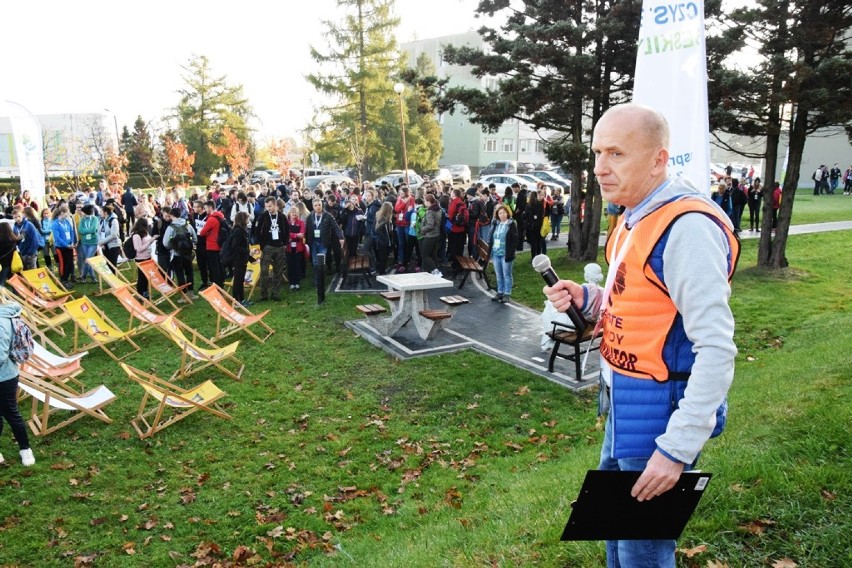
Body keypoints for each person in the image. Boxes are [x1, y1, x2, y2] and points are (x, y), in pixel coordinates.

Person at [544, 104, 739, 568]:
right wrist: (589, 298)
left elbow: (716, 348)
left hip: (660, 419)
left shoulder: (686, 227)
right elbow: (638, 300)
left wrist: (677, 449)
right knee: (618, 535)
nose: (599, 168)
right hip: (622, 407)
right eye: (596, 153)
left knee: (643, 551)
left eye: (616, 153)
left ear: (658, 159)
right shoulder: (634, 216)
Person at [0, 300, 35, 467]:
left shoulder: (1, 322)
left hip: (4, 378)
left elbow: (0, 354)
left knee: (11, 414)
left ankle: (25, 449)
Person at [304, 198, 344, 289]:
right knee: (315, 262)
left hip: (323, 243)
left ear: (322, 205)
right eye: (316, 205)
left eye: (319, 205)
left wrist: (341, 237)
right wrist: (305, 240)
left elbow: (336, 227)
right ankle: (317, 280)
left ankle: (320, 280)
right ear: (313, 206)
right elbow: (307, 229)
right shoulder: (310, 216)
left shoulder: (328, 216)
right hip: (313, 242)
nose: (318, 207)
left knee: (321, 262)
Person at [255, 196, 289, 300]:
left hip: (279, 247)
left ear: (275, 205)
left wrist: (285, 243)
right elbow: (256, 230)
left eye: (270, 206)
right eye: (266, 207)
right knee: (264, 271)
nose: (268, 208)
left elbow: (287, 231)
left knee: (278, 271)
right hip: (267, 247)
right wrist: (261, 245)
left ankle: (275, 293)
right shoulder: (263, 216)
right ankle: (263, 294)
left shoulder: (282, 216)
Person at [162, 207, 197, 297]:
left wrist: (172, 247)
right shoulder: (187, 225)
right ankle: (191, 293)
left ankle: (183, 295)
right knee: (189, 272)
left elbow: (165, 243)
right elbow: (195, 239)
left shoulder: (170, 227)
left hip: (176, 254)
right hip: (188, 254)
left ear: (172, 215)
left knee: (179, 274)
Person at [489, 203, 518, 304]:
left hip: (506, 253)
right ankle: (500, 292)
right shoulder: (496, 223)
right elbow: (491, 237)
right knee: (498, 274)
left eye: (504, 213)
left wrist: (511, 252)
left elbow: (515, 240)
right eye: (500, 213)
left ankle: (507, 293)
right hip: (496, 253)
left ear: (507, 213)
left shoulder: (511, 224)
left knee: (506, 274)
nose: (502, 215)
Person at [198, 201, 225, 289]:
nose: (205, 210)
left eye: (205, 208)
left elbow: (202, 232)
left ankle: (217, 285)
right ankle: (221, 282)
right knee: (218, 265)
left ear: (210, 208)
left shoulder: (211, 219)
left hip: (211, 245)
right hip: (218, 244)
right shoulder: (220, 216)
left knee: (214, 267)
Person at [50, 205, 77, 288]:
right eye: (67, 213)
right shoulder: (55, 223)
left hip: (69, 246)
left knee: (69, 264)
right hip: (61, 248)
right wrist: (66, 245)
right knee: (63, 264)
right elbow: (57, 237)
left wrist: (72, 242)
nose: (68, 215)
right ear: (62, 213)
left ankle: (66, 279)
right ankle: (63, 280)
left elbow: (71, 231)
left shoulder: (66, 222)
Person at [229, 212, 252, 307]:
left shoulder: (242, 230)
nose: (248, 221)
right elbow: (235, 247)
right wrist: (247, 252)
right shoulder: (238, 231)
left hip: (242, 259)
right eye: (247, 219)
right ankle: (237, 300)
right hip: (238, 259)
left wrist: (251, 258)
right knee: (238, 280)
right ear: (243, 220)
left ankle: (241, 299)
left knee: (240, 280)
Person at [129, 219, 155, 298]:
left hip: (147, 257)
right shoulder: (136, 235)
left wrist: (151, 240)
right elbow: (139, 249)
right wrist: (149, 242)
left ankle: (145, 291)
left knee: (147, 276)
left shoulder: (145, 233)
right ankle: (140, 293)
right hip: (140, 258)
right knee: (141, 277)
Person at [12, 206, 39, 270]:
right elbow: (16, 240)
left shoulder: (29, 225)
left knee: (32, 271)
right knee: (25, 271)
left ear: (22, 215)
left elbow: (35, 239)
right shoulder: (15, 227)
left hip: (31, 253)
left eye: (19, 216)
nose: (17, 219)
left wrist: (30, 252)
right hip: (22, 252)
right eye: (15, 217)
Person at [285, 206, 306, 291]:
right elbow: (286, 234)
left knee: (297, 265)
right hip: (289, 248)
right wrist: (296, 235)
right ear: (289, 213)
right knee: (290, 265)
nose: (294, 214)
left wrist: (292, 236)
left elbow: (302, 233)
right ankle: (291, 283)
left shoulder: (301, 222)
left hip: (298, 247)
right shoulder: (286, 223)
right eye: (293, 212)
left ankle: (297, 283)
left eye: (296, 212)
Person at [77, 205, 99, 282]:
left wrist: (85, 231)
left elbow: (93, 229)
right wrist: (87, 231)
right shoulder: (82, 220)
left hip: (93, 242)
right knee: (88, 260)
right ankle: (93, 277)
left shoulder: (95, 219)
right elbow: (80, 230)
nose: (81, 212)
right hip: (84, 243)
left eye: (82, 211)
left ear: (86, 212)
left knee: (87, 260)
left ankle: (83, 276)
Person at [97, 204, 122, 273]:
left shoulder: (114, 220)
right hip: (104, 246)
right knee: (108, 264)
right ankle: (111, 281)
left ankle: (115, 281)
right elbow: (98, 232)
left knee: (112, 265)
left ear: (105, 212)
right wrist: (101, 243)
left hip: (113, 245)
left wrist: (102, 242)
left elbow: (114, 235)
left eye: (101, 211)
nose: (100, 213)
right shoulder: (101, 220)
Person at [191, 201, 210, 291]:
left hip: (207, 243)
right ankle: (204, 281)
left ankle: (212, 281)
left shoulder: (207, 216)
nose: (193, 208)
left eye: (195, 207)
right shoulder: (195, 216)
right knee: (200, 263)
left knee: (208, 263)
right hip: (198, 243)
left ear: (201, 208)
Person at [0, 223, 19, 287]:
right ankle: (17, 295)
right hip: (13, 263)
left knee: (1, 282)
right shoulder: (13, 239)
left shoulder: (1, 241)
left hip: (4, 264)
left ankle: (3, 296)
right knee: (14, 282)